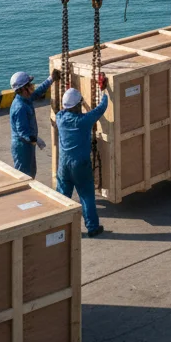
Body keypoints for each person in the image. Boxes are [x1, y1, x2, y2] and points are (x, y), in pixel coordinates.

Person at [54, 80, 108, 237]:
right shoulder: (83, 121)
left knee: (62, 196)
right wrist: (104, 91)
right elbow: (100, 109)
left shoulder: (59, 117)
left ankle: (58, 227)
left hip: (63, 165)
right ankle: (92, 227)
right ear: (77, 106)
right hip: (80, 165)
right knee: (86, 196)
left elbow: (66, 109)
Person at [9, 70, 54, 178]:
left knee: (31, 172)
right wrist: (35, 139)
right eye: (29, 85)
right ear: (23, 89)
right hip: (22, 146)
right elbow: (22, 131)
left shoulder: (25, 99)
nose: (32, 86)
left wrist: (50, 79)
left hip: (27, 144)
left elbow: (37, 93)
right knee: (24, 176)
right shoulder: (20, 107)